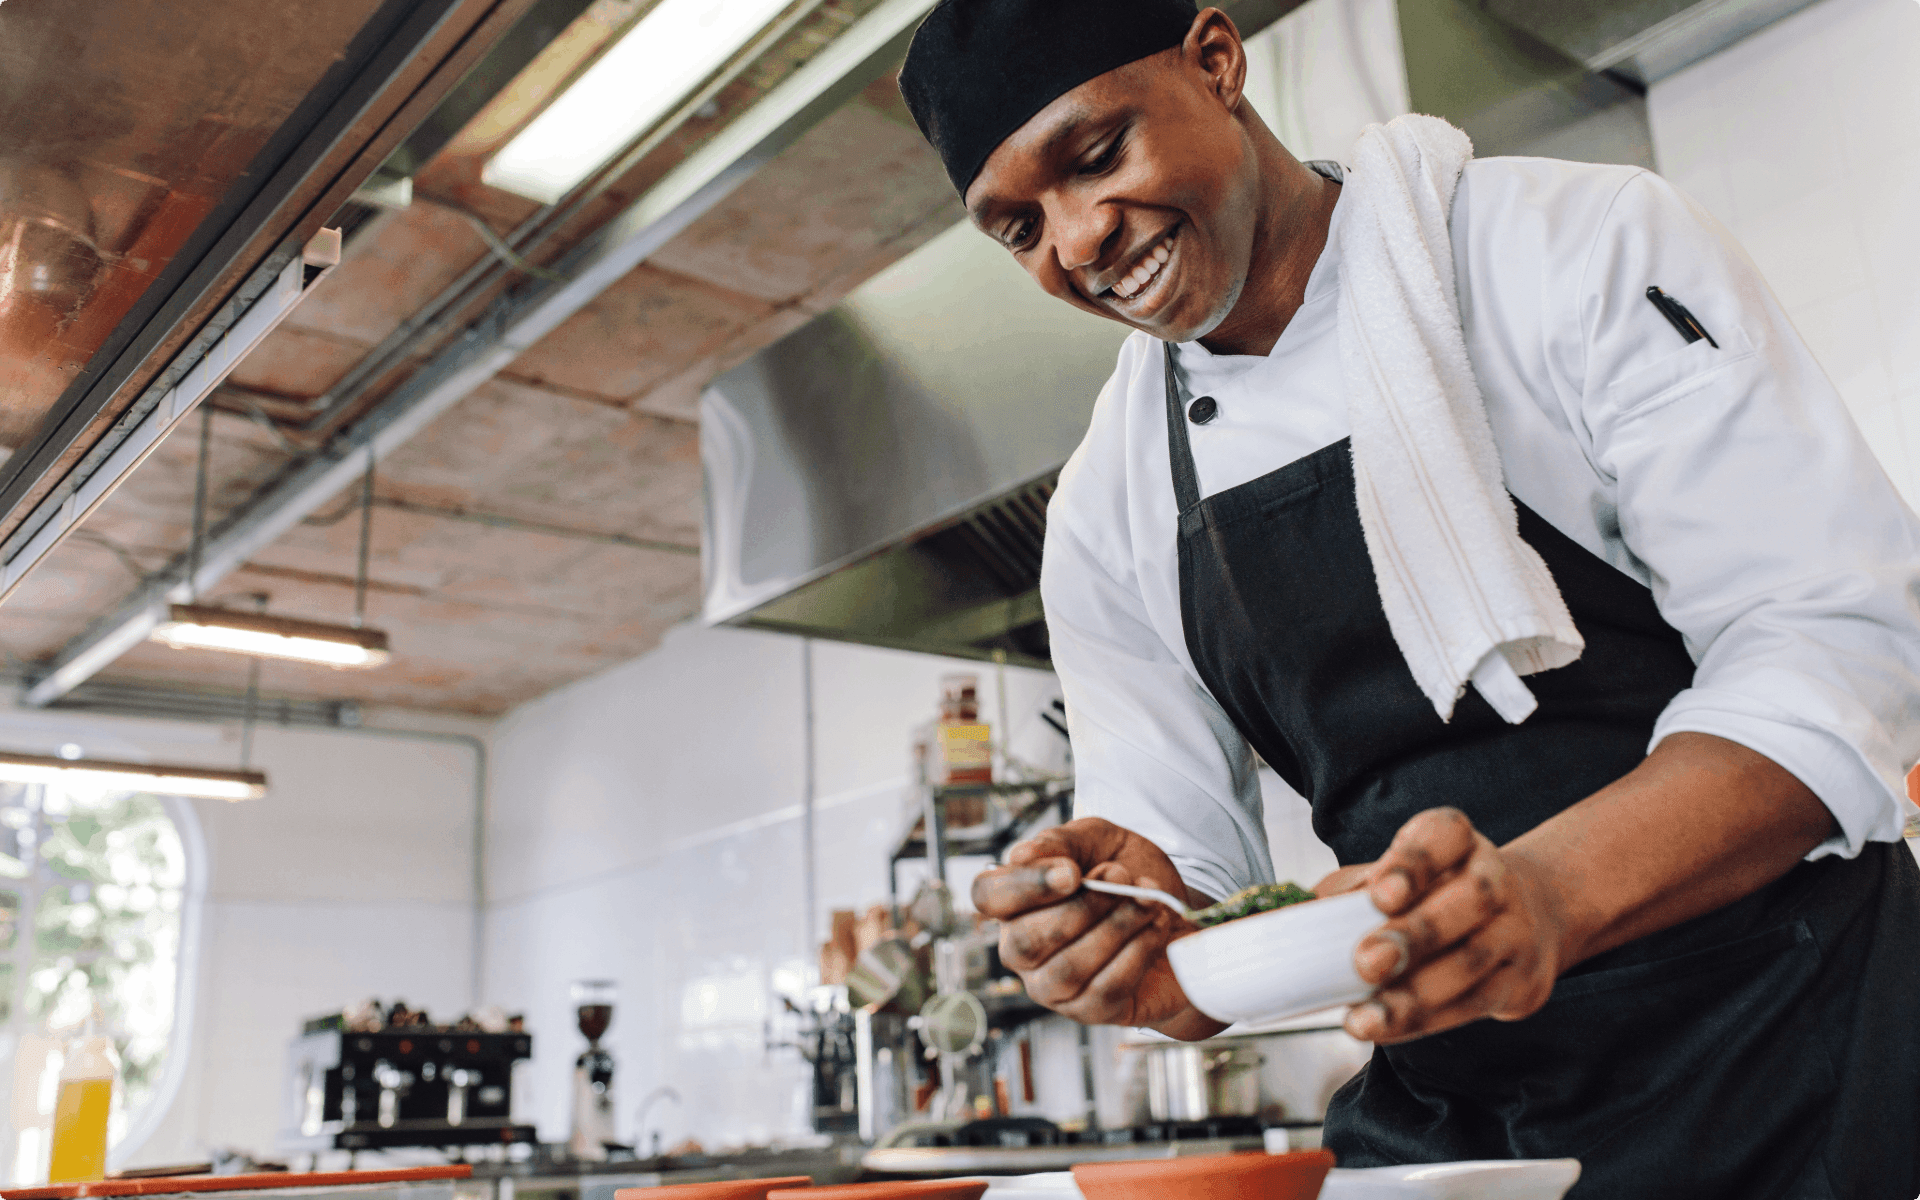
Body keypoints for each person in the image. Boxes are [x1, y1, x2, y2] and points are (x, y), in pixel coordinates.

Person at [895, 0, 1920, 1195]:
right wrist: (1129, 929)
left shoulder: (1572, 250)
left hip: (1798, 1053)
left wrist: (1546, 894)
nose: (1077, 243)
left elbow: (1834, 649)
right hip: (1458, 1109)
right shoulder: (1106, 508)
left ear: (1218, 61)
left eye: (1096, 155)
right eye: (1019, 228)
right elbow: (1184, 887)